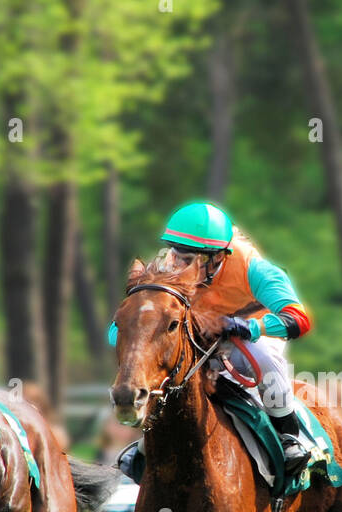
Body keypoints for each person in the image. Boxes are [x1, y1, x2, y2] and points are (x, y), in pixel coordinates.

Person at [110, 202, 313, 473]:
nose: (178, 265)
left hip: (250, 333)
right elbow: (130, 326)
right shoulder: (164, 267)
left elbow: (298, 319)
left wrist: (248, 328)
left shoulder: (254, 268)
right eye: (176, 254)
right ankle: (146, 443)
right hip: (197, 335)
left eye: (189, 259)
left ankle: (288, 434)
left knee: (263, 355)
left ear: (218, 256)